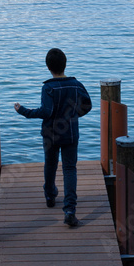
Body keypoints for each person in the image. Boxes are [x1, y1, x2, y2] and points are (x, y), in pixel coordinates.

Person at [14, 49, 92, 227]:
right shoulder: (76, 84)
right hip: (71, 133)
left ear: (48, 67)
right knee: (70, 169)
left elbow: (46, 112)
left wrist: (23, 111)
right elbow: (88, 105)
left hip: (51, 134)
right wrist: (73, 116)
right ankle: (70, 211)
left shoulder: (48, 87)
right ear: (65, 64)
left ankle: (50, 196)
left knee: (50, 164)